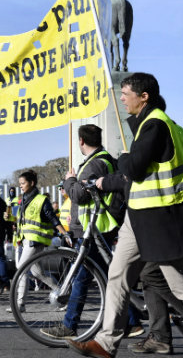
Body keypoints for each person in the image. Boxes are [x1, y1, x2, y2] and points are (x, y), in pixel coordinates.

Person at [68, 72, 183, 358]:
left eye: (125, 94)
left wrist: (123, 158)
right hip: (139, 217)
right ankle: (106, 343)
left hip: (161, 219)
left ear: (144, 97)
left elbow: (134, 168)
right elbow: (137, 176)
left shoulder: (155, 124)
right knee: (117, 276)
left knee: (179, 283)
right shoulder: (149, 125)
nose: (121, 99)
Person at [43, 125, 128, 339]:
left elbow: (80, 195)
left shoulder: (95, 164)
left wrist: (69, 180)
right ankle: (132, 321)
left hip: (94, 227)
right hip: (95, 226)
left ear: (81, 140)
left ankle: (69, 325)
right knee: (109, 277)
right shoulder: (103, 160)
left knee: (82, 277)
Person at [11, 169, 67, 313]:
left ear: (32, 183)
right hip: (26, 240)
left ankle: (20, 304)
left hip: (35, 240)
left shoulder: (42, 200)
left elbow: (53, 218)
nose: (20, 186)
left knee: (22, 269)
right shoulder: (24, 199)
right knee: (38, 273)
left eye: (23, 183)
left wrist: (64, 234)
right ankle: (63, 294)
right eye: (20, 184)